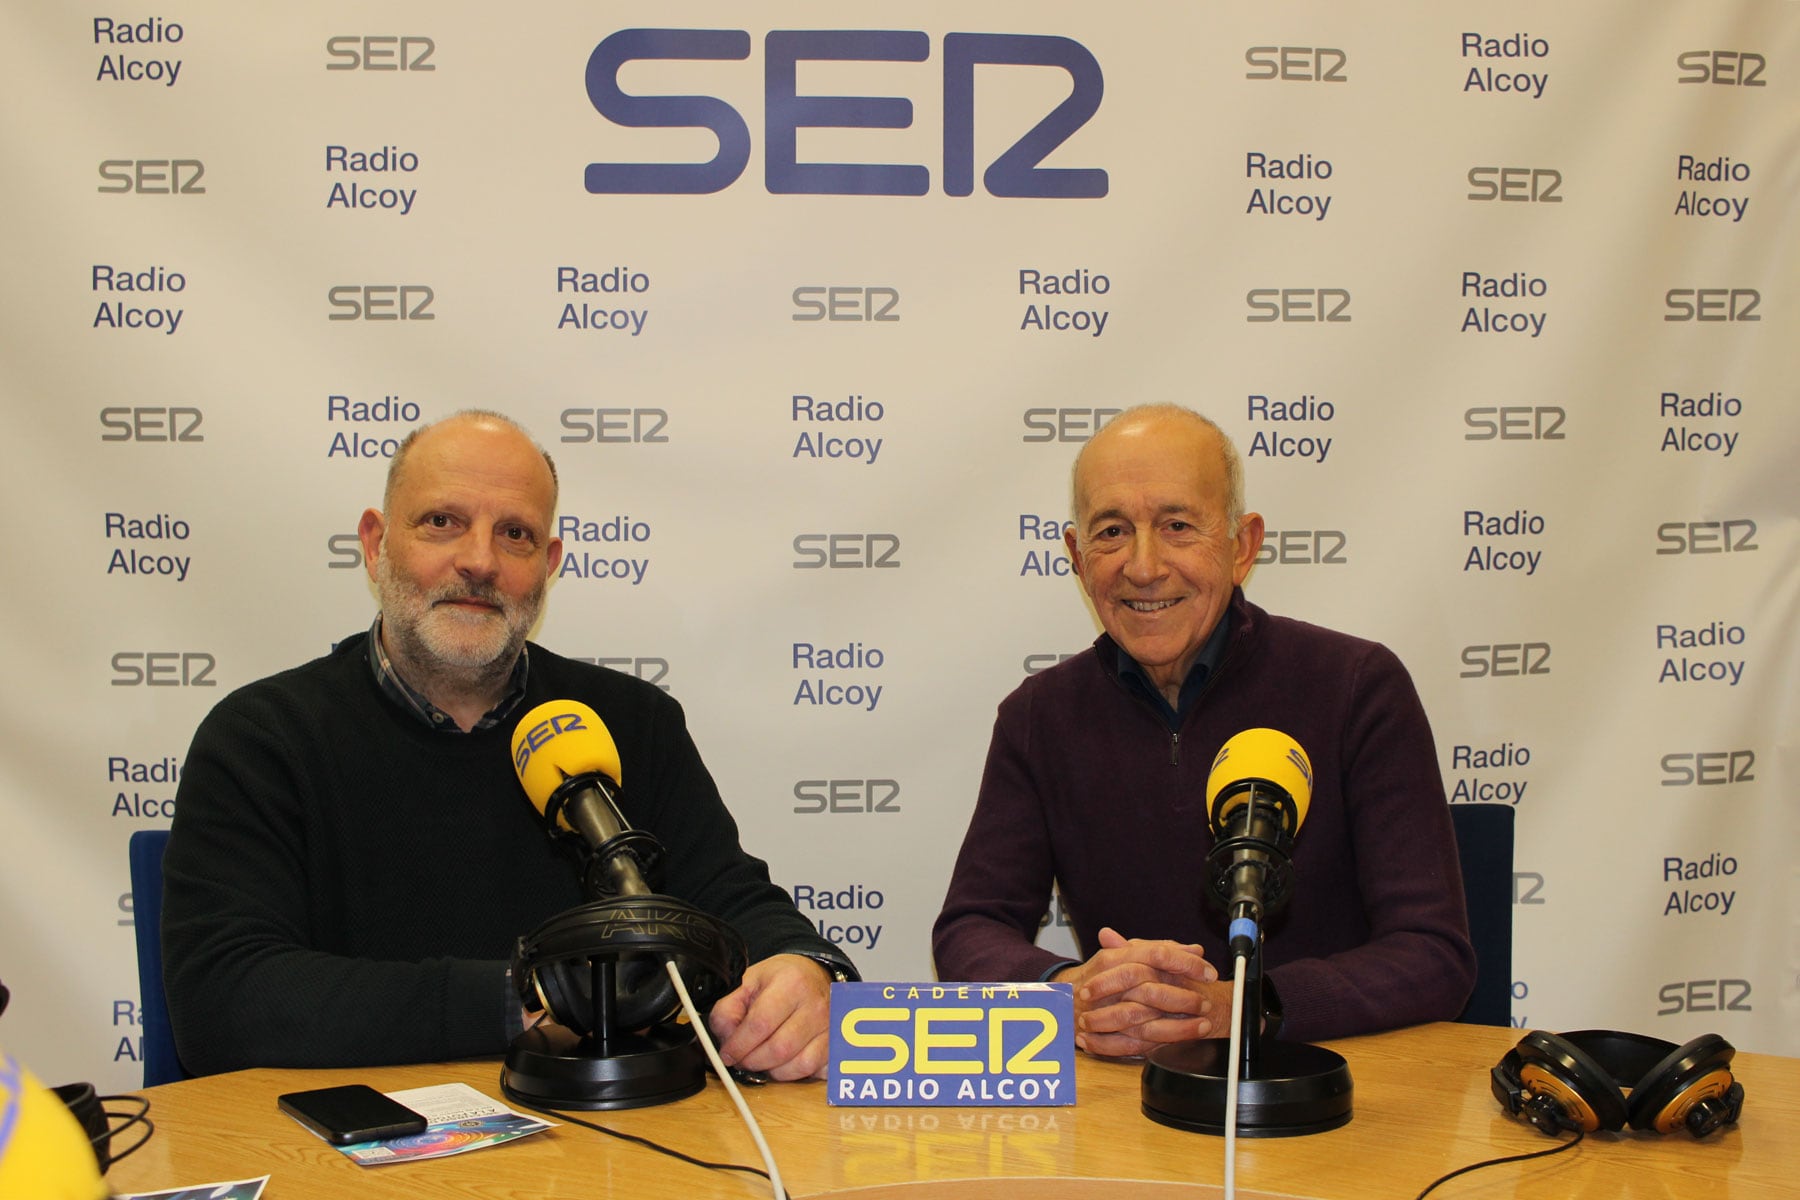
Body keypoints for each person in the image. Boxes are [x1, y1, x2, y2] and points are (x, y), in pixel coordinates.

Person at [163, 410, 854, 1080]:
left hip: (602, 1156)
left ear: (549, 564)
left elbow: (731, 900)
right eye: (442, 522)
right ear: (375, 545)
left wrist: (803, 967)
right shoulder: (262, 737)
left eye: (516, 534)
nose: (479, 561)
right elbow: (226, 999)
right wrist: (527, 995)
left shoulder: (629, 722)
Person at [932, 404, 1474, 1057]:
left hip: (1328, 1094)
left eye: (1177, 525)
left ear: (1242, 546)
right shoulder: (1037, 716)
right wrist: (1066, 990)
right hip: (1127, 1098)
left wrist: (1244, 1006)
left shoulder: (1357, 686)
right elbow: (971, 927)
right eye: (1111, 531)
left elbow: (1434, 954)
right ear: (1077, 557)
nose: (1143, 565)